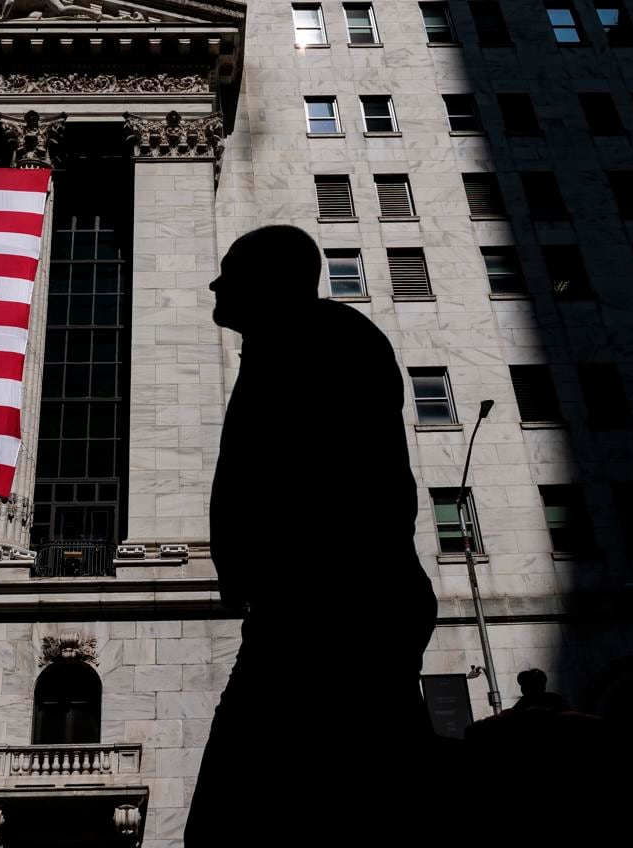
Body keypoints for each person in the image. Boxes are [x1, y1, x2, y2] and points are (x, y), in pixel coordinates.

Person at [185, 225, 437, 846]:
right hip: (311, 608)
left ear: (274, 281)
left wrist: (283, 574)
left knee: (240, 812)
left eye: (233, 270)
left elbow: (349, 483)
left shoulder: (324, 342)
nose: (218, 283)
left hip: (332, 611)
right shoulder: (285, 345)